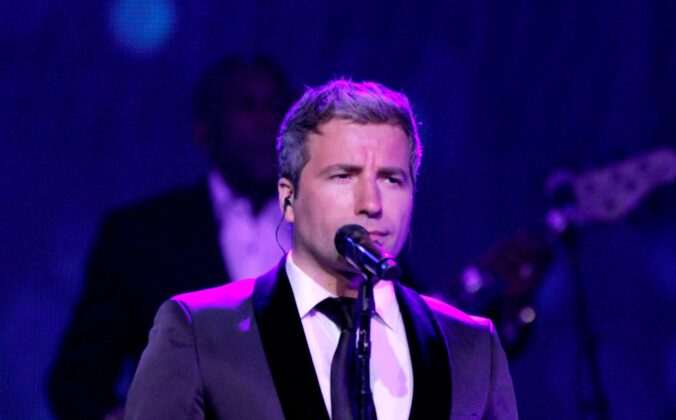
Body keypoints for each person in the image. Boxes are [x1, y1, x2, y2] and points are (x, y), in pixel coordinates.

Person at [124, 80, 518, 419]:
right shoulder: (199, 330)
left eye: (392, 179)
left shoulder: (471, 345)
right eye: (344, 175)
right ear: (288, 198)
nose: (372, 202)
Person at [48, 55, 294, 419]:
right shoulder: (142, 235)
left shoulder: (332, 230)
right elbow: (76, 379)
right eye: (246, 107)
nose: (266, 122)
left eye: (277, 107)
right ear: (204, 131)